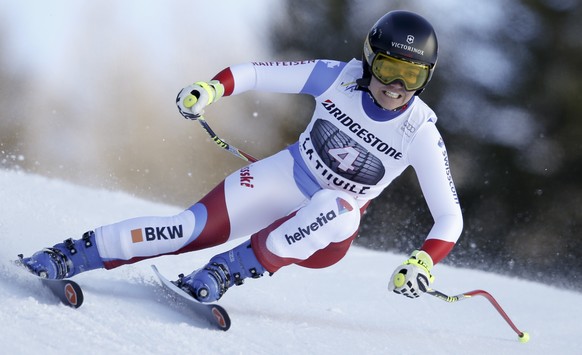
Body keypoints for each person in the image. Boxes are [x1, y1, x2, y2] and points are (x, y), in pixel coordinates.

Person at [21, 10, 463, 302]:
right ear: (370, 61)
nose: (396, 87)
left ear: (426, 78)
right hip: (286, 176)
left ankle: (224, 271)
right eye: (388, 69)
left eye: (411, 75)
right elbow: (254, 73)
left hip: (327, 232)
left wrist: (422, 259)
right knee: (186, 228)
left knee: (340, 206)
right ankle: (70, 254)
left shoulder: (420, 131)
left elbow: (449, 217)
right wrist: (211, 88)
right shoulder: (336, 78)